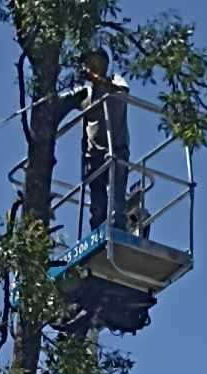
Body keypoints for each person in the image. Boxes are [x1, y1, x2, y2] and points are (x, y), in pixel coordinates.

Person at [74, 47, 130, 235]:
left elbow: (122, 94)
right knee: (97, 204)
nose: (89, 66)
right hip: (93, 154)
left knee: (116, 197)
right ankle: (97, 233)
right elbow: (63, 103)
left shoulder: (116, 80)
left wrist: (98, 80)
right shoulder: (86, 93)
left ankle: (118, 230)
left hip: (116, 149)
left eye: (92, 61)